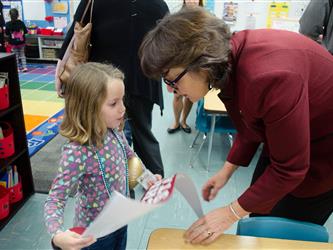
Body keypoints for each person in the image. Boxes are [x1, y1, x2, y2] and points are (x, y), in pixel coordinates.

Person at [139, 7, 333, 245]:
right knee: (258, 212)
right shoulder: (228, 61)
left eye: (170, 79)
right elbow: (252, 120)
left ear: (199, 62)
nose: (169, 89)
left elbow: (290, 169)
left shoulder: (269, 76)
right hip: (286, 144)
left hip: (324, 155)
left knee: (283, 235)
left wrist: (229, 213)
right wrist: (226, 171)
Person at [44, 62, 161, 249]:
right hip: (93, 236)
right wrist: (57, 235)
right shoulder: (77, 152)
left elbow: (130, 158)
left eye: (122, 99)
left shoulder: (115, 131)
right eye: (113, 103)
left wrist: (147, 180)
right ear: (88, 107)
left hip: (120, 222)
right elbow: (56, 198)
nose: (123, 108)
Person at [55, 0, 168, 177]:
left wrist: (60, 70)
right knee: (141, 134)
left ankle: (123, 187)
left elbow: (76, 32)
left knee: (110, 137)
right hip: (142, 81)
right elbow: (167, 43)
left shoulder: (94, 1)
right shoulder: (158, 4)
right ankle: (156, 181)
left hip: (105, 82)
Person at [167, 0, 203, 134]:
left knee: (189, 95)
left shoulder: (204, 17)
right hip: (178, 62)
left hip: (195, 63)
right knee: (177, 95)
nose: (192, 1)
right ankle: (176, 122)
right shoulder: (177, 17)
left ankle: (184, 121)